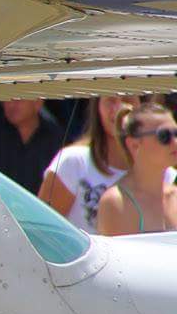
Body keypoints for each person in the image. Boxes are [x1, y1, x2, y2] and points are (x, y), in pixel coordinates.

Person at [39, 94, 147, 233]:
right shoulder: (73, 161)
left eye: (128, 99)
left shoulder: (162, 170)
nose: (119, 108)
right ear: (97, 106)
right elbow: (41, 230)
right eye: (111, 100)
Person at [95, 102, 177, 236]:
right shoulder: (116, 202)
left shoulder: (175, 195)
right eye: (164, 136)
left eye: (176, 133)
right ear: (134, 145)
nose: (175, 142)